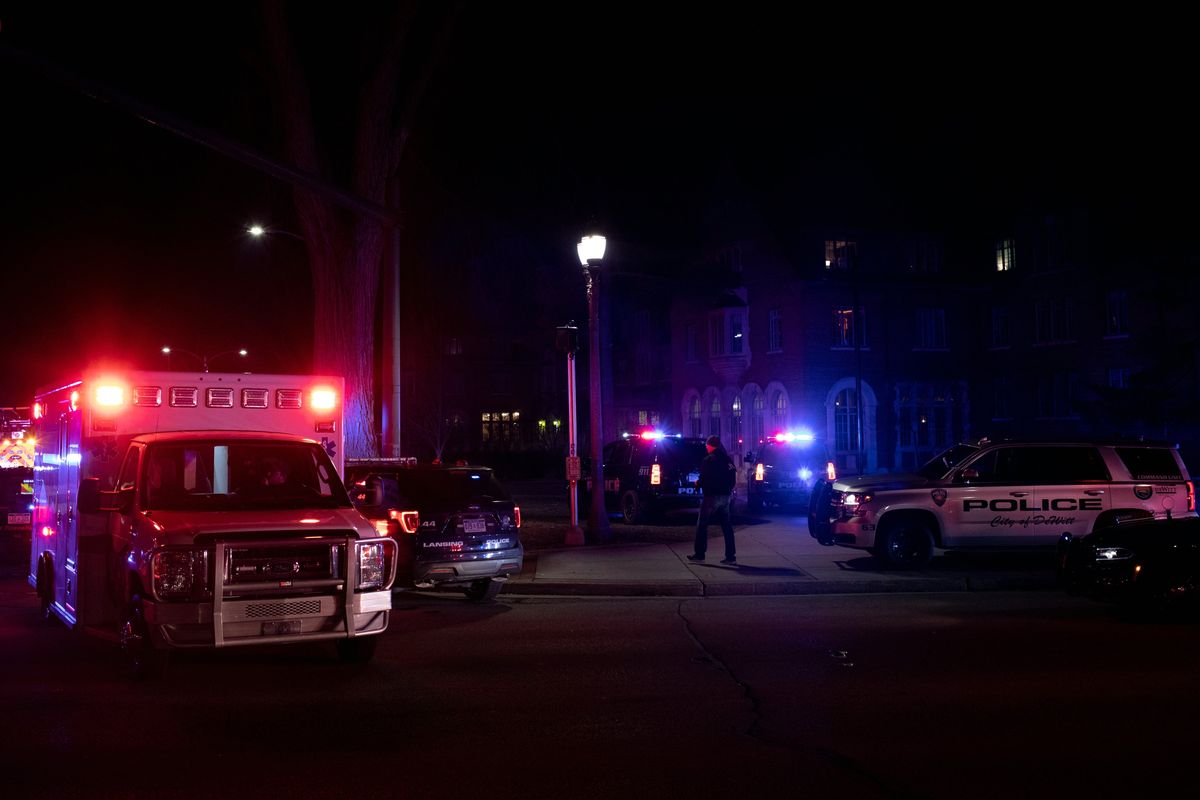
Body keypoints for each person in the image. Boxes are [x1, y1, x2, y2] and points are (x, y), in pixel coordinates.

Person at [688, 435, 738, 565]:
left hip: (711, 497)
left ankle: (700, 554)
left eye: (706, 446)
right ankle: (731, 556)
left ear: (710, 446)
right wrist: (728, 490)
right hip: (725, 497)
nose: (706, 447)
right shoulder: (727, 460)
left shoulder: (708, 460)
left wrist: (698, 484)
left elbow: (704, 478)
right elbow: (733, 477)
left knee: (702, 525)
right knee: (727, 526)